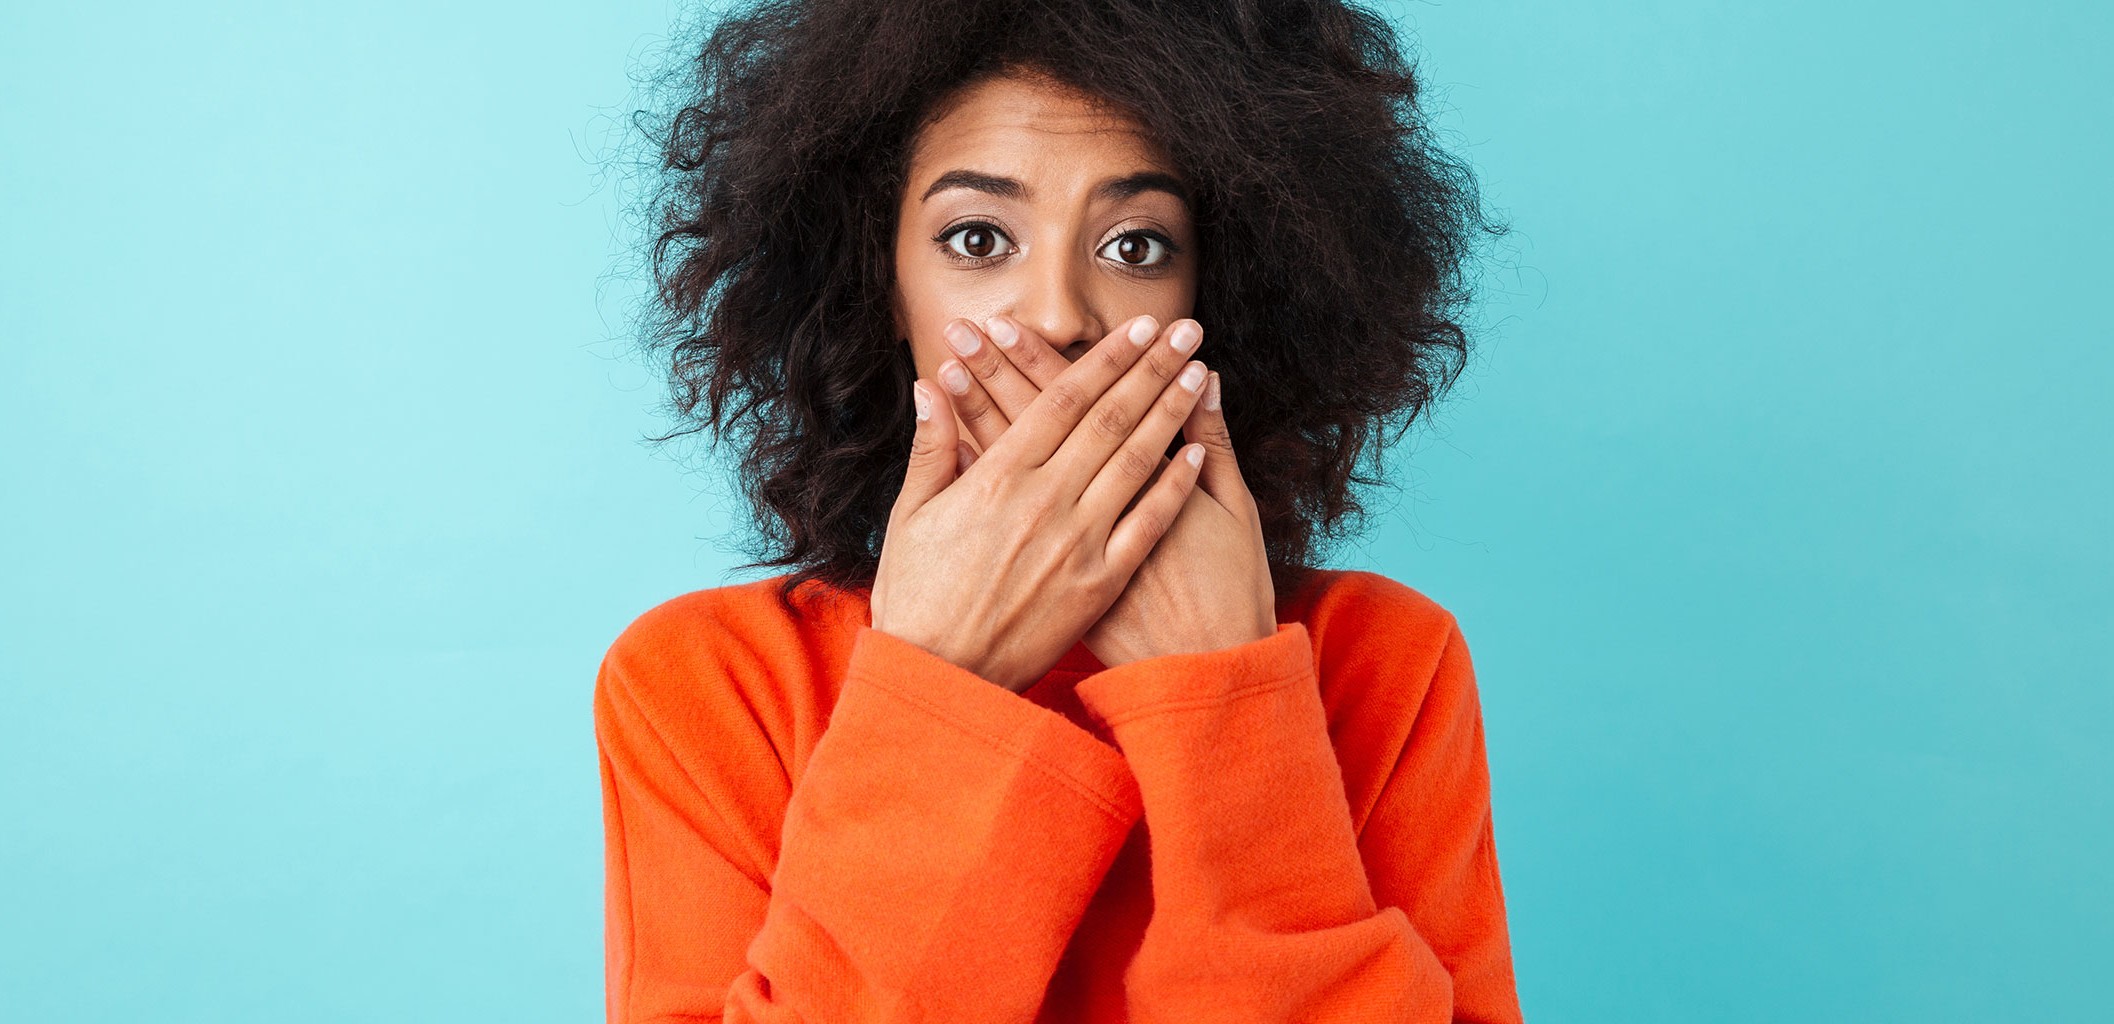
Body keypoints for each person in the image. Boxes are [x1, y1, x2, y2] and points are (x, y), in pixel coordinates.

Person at [595, 0, 1518, 1019]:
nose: (1058, 316)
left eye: (1135, 248)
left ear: (1223, 291)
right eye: (977, 236)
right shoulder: (708, 688)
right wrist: (942, 686)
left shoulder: (1382, 665)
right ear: (881, 289)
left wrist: (1226, 706)